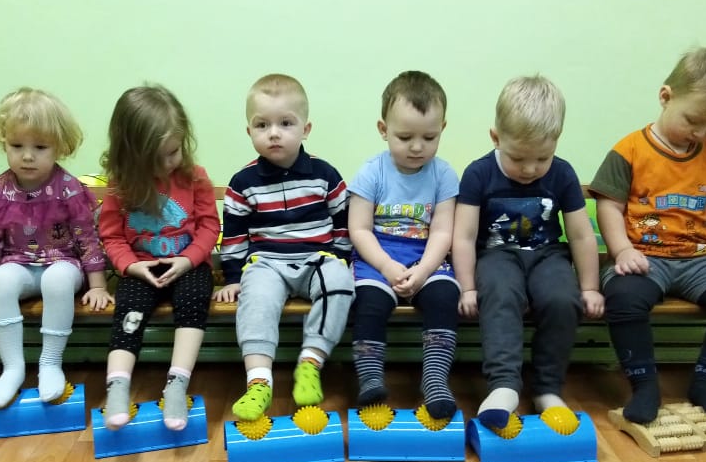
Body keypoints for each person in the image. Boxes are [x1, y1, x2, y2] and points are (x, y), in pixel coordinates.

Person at [589, 45, 706, 424]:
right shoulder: (629, 150)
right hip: (643, 257)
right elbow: (608, 207)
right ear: (666, 97)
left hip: (699, 260)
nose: (701, 133)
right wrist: (621, 251)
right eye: (694, 121)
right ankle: (644, 384)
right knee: (623, 297)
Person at [452, 75, 603, 430]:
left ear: (556, 141)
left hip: (548, 255)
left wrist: (590, 287)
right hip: (496, 256)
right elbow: (464, 236)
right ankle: (503, 385)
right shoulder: (478, 174)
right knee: (500, 295)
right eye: (518, 158)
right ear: (496, 137)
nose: (530, 169)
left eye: (542, 158)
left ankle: (547, 389)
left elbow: (581, 235)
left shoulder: (562, 174)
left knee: (562, 299)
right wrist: (468, 287)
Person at [214, 73, 354, 421]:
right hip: (267, 262)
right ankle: (259, 381)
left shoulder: (324, 174)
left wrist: (341, 258)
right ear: (249, 131)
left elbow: (342, 219)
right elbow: (234, 235)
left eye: (286, 123)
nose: (273, 133)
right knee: (256, 300)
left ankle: (311, 361)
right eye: (262, 125)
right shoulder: (243, 183)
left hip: (317, 258)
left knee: (340, 284)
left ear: (306, 129)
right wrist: (233, 277)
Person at [0, 88, 112, 408]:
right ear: (3, 143)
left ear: (59, 147)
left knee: (56, 279)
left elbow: (87, 238)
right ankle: (12, 368)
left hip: (63, 263)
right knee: (0, 281)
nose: (27, 156)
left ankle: (50, 363)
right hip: (18, 264)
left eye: (40, 147)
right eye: (17, 146)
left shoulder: (68, 188)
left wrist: (98, 285)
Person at [98, 86, 219, 431]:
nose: (168, 163)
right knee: (129, 310)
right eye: (157, 157)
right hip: (141, 268)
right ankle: (117, 386)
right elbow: (112, 236)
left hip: (188, 265)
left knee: (194, 302)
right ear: (132, 154)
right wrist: (132, 266)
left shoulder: (195, 178)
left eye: (174, 152)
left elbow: (209, 227)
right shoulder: (121, 185)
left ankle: (177, 383)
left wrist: (189, 259)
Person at [348, 71, 460, 419]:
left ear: (443, 128)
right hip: (377, 255)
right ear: (383, 129)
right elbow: (359, 229)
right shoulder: (372, 172)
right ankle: (370, 377)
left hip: (425, 255)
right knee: (369, 302)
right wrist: (385, 266)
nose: (417, 147)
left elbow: (442, 232)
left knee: (444, 296)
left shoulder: (443, 175)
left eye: (429, 137)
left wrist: (424, 271)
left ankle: (435, 379)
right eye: (405, 137)